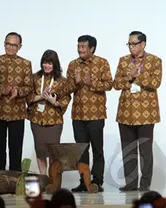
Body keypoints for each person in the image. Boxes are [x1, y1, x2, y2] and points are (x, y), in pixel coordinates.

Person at [60, 35, 113, 192]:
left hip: (96, 115)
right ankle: (84, 181)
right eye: (78, 46)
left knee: (97, 150)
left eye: (83, 47)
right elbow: (65, 89)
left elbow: (109, 84)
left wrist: (91, 82)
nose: (80, 49)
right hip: (78, 115)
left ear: (92, 48)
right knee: (81, 151)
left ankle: (97, 182)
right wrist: (75, 83)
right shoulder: (73, 64)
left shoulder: (102, 62)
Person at [113, 31, 162, 192]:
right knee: (128, 150)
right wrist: (128, 78)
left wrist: (137, 76)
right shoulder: (123, 61)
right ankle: (131, 183)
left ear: (143, 44)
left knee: (145, 152)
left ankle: (145, 184)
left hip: (147, 114)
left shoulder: (155, 60)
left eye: (133, 44)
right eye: (129, 44)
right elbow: (116, 84)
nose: (131, 47)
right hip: (125, 113)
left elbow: (155, 82)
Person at [0, 32, 33, 171]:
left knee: (16, 149)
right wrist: (0, 91)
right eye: (8, 44)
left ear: (20, 46)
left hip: (17, 112)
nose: (11, 47)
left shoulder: (25, 64)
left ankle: (15, 181)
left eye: (14, 45)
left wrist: (18, 91)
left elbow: (29, 87)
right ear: (4, 43)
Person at [27, 50, 71, 175]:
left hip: (54, 121)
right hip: (36, 120)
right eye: (44, 63)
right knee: (40, 151)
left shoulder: (62, 80)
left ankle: (53, 179)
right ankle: (43, 177)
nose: (46, 66)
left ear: (55, 64)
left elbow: (66, 98)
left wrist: (53, 101)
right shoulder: (35, 78)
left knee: (53, 152)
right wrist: (41, 96)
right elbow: (28, 96)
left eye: (50, 63)